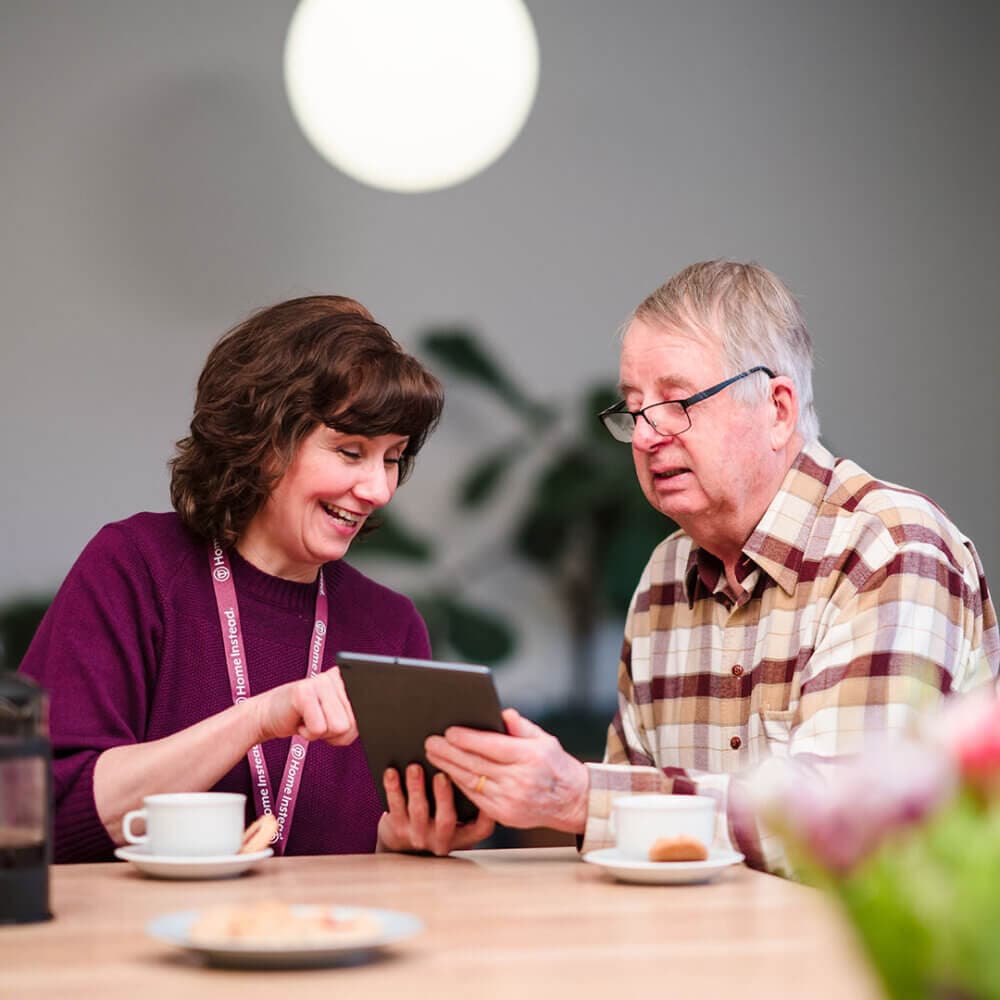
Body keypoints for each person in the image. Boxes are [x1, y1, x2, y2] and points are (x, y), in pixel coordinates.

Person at [419, 260, 1000, 874]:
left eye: (677, 402)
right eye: (635, 408)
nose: (646, 435)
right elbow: (633, 847)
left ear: (778, 409)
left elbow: (840, 828)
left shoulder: (890, 549)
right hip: (703, 952)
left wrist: (581, 798)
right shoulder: (663, 576)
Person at [19, 295, 493, 862]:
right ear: (265, 442)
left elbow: (370, 857)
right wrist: (257, 720)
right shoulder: (135, 567)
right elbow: (44, 809)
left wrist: (397, 841)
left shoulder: (391, 624)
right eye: (349, 451)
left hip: (325, 943)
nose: (379, 490)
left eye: (392, 458)